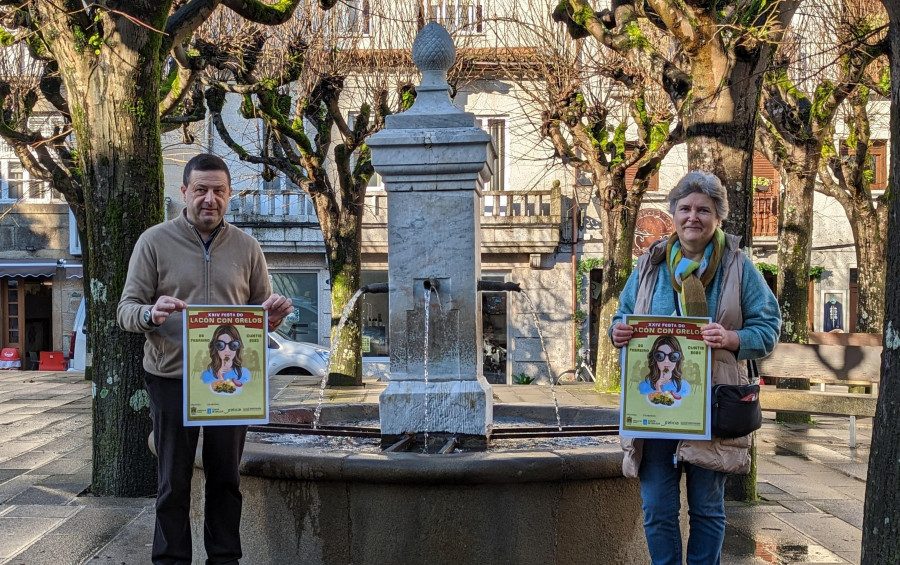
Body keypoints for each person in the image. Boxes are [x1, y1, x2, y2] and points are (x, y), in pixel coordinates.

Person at [118, 153, 293, 565]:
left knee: (226, 481)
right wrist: (150, 313)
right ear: (184, 193)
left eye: (218, 190)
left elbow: (258, 318)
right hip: (172, 380)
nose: (209, 199)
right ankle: (171, 561)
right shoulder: (154, 241)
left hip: (230, 385)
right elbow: (126, 309)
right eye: (200, 190)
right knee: (172, 483)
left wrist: (272, 319)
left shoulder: (248, 248)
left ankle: (225, 559)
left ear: (230, 195)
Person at [609, 170, 780, 565]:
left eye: (704, 209)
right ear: (673, 213)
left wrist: (733, 339)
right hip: (655, 412)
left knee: (706, 509)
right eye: (685, 208)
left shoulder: (738, 267)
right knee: (657, 510)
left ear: (718, 217)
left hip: (711, 410)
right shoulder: (649, 265)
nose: (693, 217)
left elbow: (769, 326)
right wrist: (619, 334)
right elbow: (623, 317)